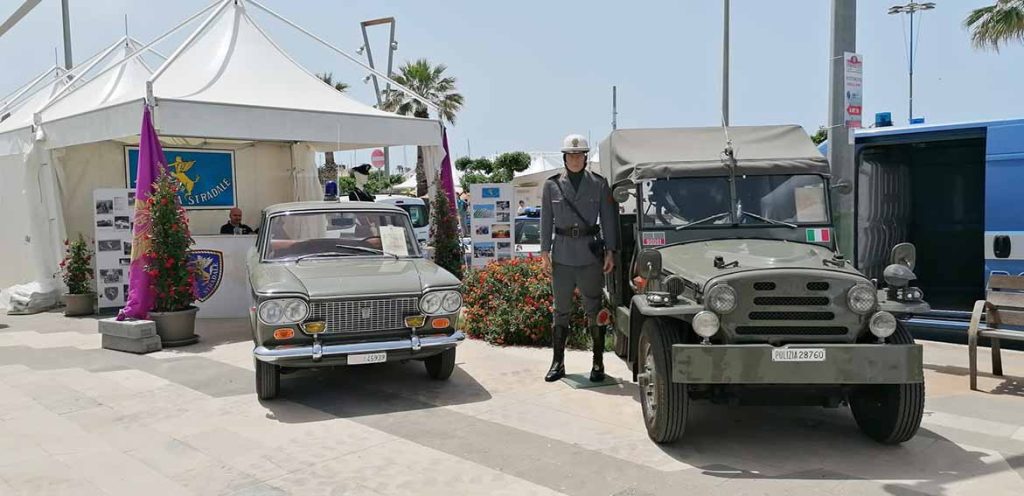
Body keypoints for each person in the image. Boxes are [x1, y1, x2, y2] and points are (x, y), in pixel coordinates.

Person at [540, 133, 618, 383]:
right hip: (562, 256)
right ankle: (558, 363)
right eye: (571, 155)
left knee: (593, 309)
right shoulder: (551, 185)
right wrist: (544, 252)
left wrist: (611, 251)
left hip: (589, 255)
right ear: (564, 157)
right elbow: (545, 220)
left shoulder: (599, 183)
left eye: (579, 154)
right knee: (560, 311)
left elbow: (607, 219)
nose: (575, 158)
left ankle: (598, 363)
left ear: (586, 158)